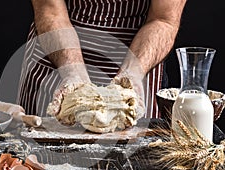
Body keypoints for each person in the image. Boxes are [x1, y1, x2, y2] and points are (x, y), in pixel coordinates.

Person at [17, 0, 187, 119]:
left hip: (139, 60)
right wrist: (73, 73)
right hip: (57, 61)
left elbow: (163, 19)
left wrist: (132, 75)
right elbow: (51, 11)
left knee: (131, 164)